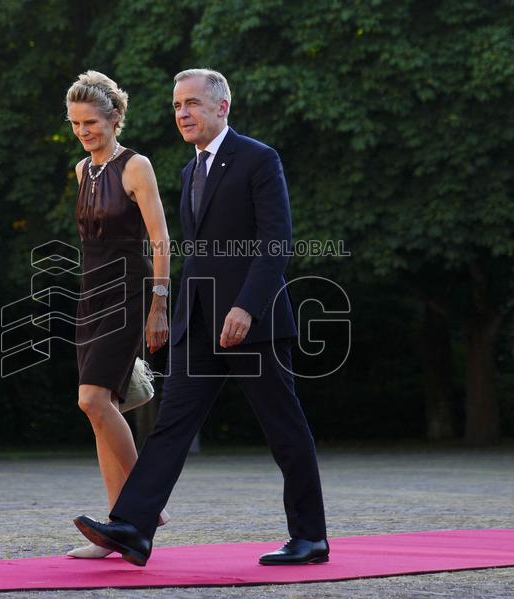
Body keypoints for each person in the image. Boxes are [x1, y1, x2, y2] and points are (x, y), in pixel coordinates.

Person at [74, 69, 328, 566]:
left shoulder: (258, 159)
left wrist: (246, 307)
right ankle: (133, 527)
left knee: (284, 428)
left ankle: (310, 537)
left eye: (192, 103)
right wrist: (172, 312)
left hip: (254, 323)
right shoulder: (189, 171)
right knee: (171, 426)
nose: (183, 113)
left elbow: (275, 243)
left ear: (222, 107)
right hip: (201, 322)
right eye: (176, 106)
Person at [65, 71, 171, 558]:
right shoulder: (82, 171)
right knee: (98, 409)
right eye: (75, 124)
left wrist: (159, 305)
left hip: (129, 292)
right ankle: (117, 530)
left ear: (113, 117)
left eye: (90, 122)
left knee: (93, 401)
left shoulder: (136, 166)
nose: (83, 131)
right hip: (90, 295)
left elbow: (160, 240)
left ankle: (142, 506)